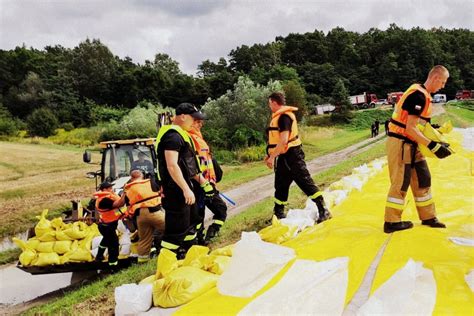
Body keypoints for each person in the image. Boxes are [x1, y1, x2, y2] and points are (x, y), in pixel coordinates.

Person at [384, 65, 450, 233]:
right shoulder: (418, 96)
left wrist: (437, 137)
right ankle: (391, 222)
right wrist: (432, 145)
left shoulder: (423, 95)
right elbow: (410, 128)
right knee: (401, 181)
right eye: (442, 82)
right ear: (435, 78)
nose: (442, 86)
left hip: (413, 144)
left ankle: (428, 216)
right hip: (400, 143)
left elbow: (420, 125)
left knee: (423, 178)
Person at [155, 103, 212, 259]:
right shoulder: (172, 136)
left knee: (191, 222)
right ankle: (167, 261)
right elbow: (172, 165)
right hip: (176, 189)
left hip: (184, 186)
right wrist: (186, 189)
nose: (195, 122)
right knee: (177, 228)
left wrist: (202, 183)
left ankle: (188, 254)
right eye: (193, 119)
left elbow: (188, 165)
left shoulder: (181, 135)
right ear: (182, 116)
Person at [265, 92, 331, 223]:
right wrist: (269, 155)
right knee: (280, 184)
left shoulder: (284, 117)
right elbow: (276, 140)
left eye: (269, 103)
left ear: (273, 102)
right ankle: (278, 213)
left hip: (292, 156)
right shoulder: (279, 117)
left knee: (304, 181)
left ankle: (323, 209)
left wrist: (272, 157)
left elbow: (284, 140)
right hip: (283, 157)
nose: (269, 106)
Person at [189, 118, 228, 245]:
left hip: (208, 184)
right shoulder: (188, 139)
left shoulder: (199, 139)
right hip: (197, 185)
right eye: (198, 121)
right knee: (198, 216)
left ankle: (212, 231)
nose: (201, 124)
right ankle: (199, 240)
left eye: (201, 121)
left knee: (221, 209)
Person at [113, 170, 164, 262]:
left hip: (140, 217)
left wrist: (110, 205)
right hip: (155, 212)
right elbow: (162, 192)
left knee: (144, 239)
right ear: (142, 176)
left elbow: (121, 203)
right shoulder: (151, 182)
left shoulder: (128, 188)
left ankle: (142, 261)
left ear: (131, 178)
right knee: (171, 229)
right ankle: (164, 251)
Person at [93, 181, 124, 268]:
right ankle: (113, 266)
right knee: (113, 246)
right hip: (107, 227)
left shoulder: (104, 198)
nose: (111, 189)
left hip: (105, 225)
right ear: (104, 189)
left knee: (106, 240)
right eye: (109, 188)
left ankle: (99, 256)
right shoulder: (104, 200)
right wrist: (125, 193)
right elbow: (119, 203)